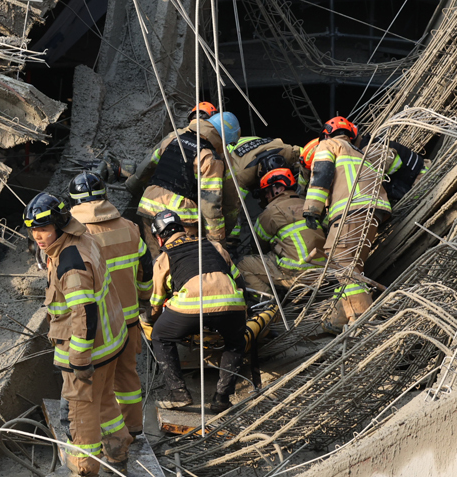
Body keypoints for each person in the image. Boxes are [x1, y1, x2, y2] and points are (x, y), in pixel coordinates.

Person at [25, 193, 133, 477]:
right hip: (109, 345)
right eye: (33, 230)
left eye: (43, 229)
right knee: (105, 402)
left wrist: (80, 360)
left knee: (80, 413)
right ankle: (118, 454)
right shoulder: (83, 240)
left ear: (60, 226)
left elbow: (83, 312)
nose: (37, 237)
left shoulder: (70, 263)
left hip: (89, 353)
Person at [68, 172, 153, 438]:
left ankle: (104, 438)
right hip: (128, 320)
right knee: (127, 375)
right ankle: (134, 427)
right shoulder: (129, 227)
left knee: (96, 386)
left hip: (96, 325)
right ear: (105, 196)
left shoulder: (75, 236)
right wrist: (143, 299)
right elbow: (145, 270)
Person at [147, 210, 248, 414]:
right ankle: (222, 398)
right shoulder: (214, 245)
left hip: (189, 308)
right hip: (231, 303)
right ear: (182, 228)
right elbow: (238, 280)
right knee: (236, 341)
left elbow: (157, 300)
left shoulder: (164, 257)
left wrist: (151, 319)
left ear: (159, 238)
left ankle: (178, 394)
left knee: (160, 336)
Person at [302, 117, 391, 329]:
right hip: (374, 212)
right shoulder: (360, 152)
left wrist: (312, 210)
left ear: (325, 134)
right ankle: (338, 318)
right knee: (351, 266)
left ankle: (362, 320)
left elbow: (321, 175)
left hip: (351, 211)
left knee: (341, 264)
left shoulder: (328, 145)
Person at [124, 103, 237, 253]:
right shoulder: (210, 158)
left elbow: (148, 165)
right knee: (182, 262)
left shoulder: (174, 138)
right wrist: (217, 243)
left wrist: (132, 185)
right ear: (224, 138)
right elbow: (210, 205)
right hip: (180, 218)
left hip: (148, 207)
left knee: (158, 260)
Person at [238, 168, 327, 294]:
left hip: (295, 273)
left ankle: (270, 302)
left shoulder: (271, 211)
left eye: (267, 191)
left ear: (279, 188)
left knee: (242, 265)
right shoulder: (307, 204)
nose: (266, 196)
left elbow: (258, 246)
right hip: (322, 270)